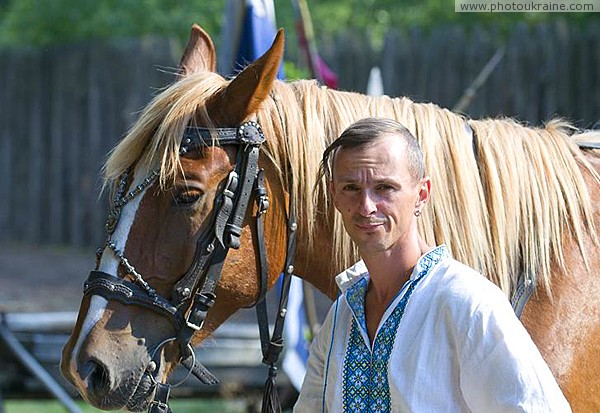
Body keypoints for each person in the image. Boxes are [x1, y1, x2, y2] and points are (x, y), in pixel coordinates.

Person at [293, 118, 571, 412]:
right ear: (335, 195)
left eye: (384, 187)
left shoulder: (468, 302)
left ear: (421, 195)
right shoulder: (341, 316)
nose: (366, 206)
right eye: (351, 188)